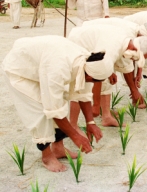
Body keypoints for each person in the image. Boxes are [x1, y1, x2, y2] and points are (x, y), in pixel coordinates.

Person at [2, 35, 113, 172]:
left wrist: (90, 123)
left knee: (61, 102)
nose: (94, 84)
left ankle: (58, 148)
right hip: (20, 70)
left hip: (42, 67)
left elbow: (83, 95)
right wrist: (75, 136)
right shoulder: (58, 68)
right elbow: (53, 109)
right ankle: (47, 156)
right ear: (89, 75)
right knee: (40, 110)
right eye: (94, 81)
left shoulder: (88, 62)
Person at [68, 24, 147, 127]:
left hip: (97, 44)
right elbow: (97, 75)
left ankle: (106, 117)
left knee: (107, 77)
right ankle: (73, 124)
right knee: (80, 85)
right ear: (134, 49)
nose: (133, 60)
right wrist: (96, 106)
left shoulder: (126, 42)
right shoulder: (113, 47)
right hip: (80, 42)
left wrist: (110, 71)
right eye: (135, 58)